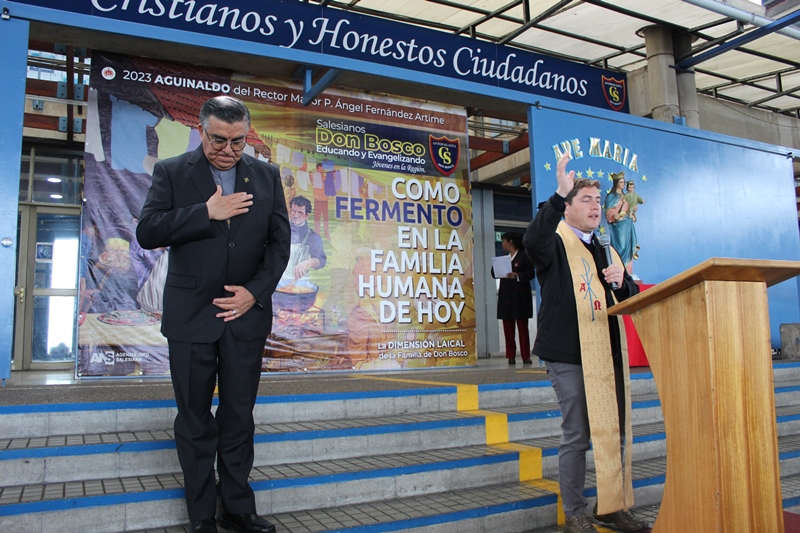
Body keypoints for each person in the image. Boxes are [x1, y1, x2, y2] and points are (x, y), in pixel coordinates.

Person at [136, 96, 290, 533]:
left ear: (247, 134)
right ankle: (202, 514)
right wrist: (205, 212)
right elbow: (147, 231)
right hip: (189, 318)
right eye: (218, 139)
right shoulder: (171, 171)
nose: (228, 149)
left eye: (238, 141)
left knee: (239, 415)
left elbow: (279, 244)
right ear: (202, 131)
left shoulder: (267, 176)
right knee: (195, 419)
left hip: (245, 317)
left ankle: (238, 508)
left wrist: (253, 294)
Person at [523, 153, 647, 533]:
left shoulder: (606, 248)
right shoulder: (554, 244)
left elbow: (628, 295)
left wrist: (622, 282)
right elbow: (532, 240)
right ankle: (576, 511)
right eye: (585, 200)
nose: (595, 206)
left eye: (597, 200)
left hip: (606, 353)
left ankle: (611, 506)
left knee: (614, 430)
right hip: (568, 354)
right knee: (577, 433)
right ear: (568, 208)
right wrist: (558, 194)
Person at [492, 232, 535, 365]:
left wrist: (517, 275)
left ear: (510, 242)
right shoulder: (504, 259)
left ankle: (525, 356)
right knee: (508, 328)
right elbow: (494, 273)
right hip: (506, 297)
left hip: (520, 297)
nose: (502, 244)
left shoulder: (524, 256)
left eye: (504, 241)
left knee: (522, 328)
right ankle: (510, 356)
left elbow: (531, 273)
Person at [282, 195, 327, 283]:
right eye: (293, 211)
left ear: (307, 215)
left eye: (300, 213)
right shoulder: (281, 231)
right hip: (278, 281)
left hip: (300, 283)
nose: (295, 215)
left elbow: (322, 260)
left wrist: (309, 262)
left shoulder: (312, 236)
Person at [603, 172, 639, 270]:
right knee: (621, 246)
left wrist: (632, 213)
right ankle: (619, 268)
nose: (623, 184)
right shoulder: (612, 196)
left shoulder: (626, 195)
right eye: (621, 182)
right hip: (618, 225)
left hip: (627, 224)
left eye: (624, 182)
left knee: (628, 246)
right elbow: (609, 211)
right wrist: (616, 215)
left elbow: (629, 208)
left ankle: (627, 271)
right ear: (616, 183)